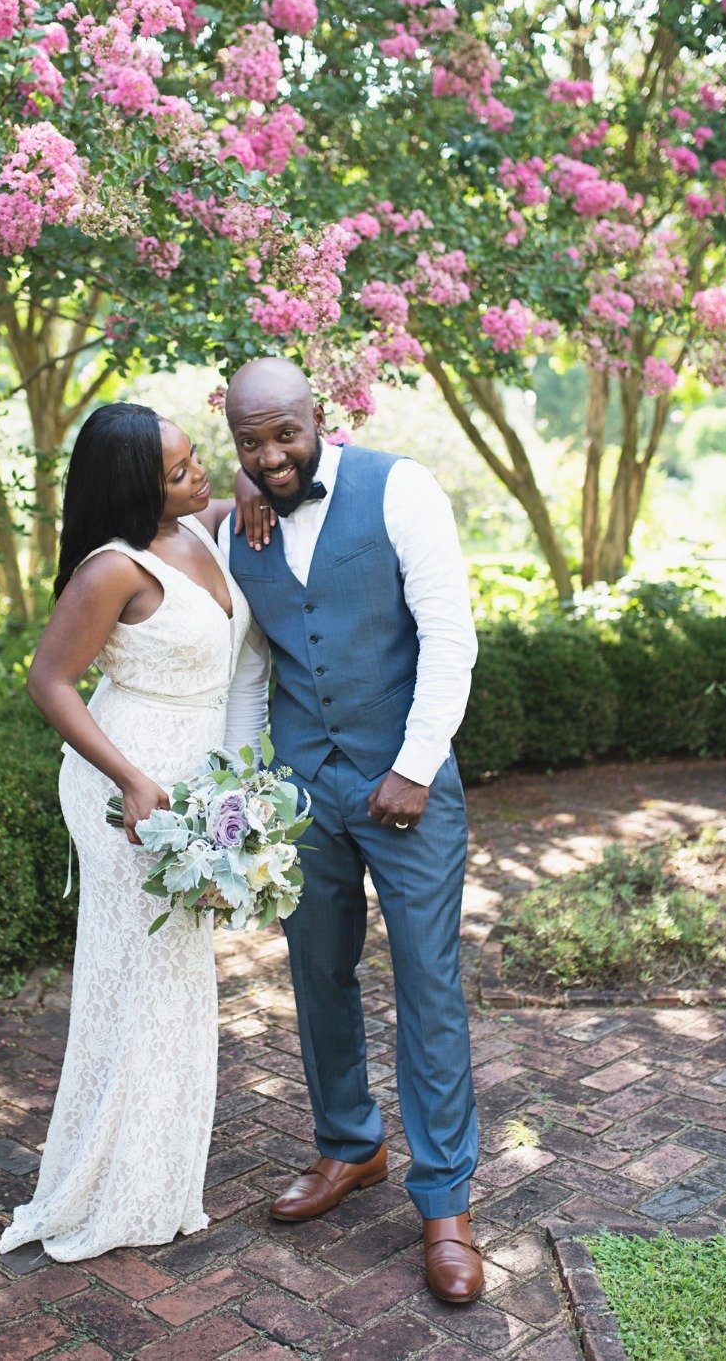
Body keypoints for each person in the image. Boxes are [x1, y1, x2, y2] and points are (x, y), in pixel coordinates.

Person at [219, 357, 483, 1305]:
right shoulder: (235, 526)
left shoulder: (401, 488)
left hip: (402, 781)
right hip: (302, 792)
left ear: (315, 416)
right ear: (234, 440)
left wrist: (414, 765)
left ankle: (446, 1203)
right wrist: (243, 796)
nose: (272, 454)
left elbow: (449, 633)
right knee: (317, 978)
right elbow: (251, 672)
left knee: (428, 983)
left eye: (285, 434)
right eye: (251, 442)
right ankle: (348, 1148)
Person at [0, 401, 270, 1263]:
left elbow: (239, 496)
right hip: (130, 794)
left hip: (194, 786)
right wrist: (130, 778)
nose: (202, 473)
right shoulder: (111, 570)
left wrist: (236, 486)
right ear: (135, 490)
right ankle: (110, 1183)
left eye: (198, 461)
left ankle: (157, 1175)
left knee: (176, 982)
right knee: (137, 980)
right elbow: (49, 681)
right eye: (184, 468)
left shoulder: (197, 527)